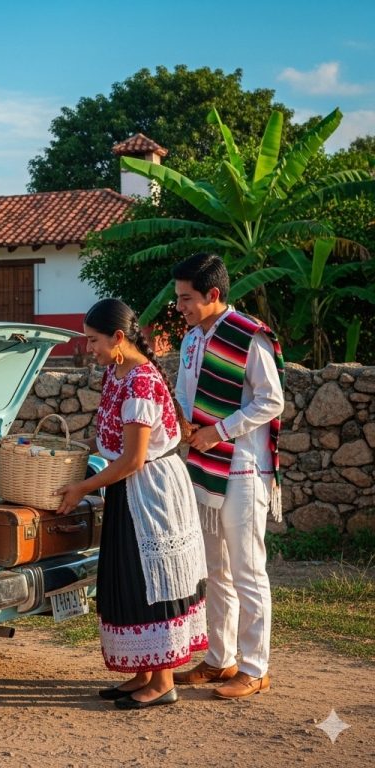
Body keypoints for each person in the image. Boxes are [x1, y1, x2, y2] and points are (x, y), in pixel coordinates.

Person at [56, 298, 208, 710]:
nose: (89, 348)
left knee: (151, 582)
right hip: (129, 490)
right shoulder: (117, 372)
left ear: (118, 337)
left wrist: (81, 487)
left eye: (94, 340)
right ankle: (144, 672)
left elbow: (133, 458)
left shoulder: (140, 382)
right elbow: (112, 439)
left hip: (150, 491)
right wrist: (71, 447)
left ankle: (163, 682)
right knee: (130, 578)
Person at [171, 253, 284, 699]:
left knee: (247, 570)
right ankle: (221, 658)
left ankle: (255, 668)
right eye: (179, 298)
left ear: (213, 294)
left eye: (187, 298)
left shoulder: (248, 335)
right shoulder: (191, 339)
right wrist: (183, 424)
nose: (180, 306)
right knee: (215, 568)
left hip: (242, 468)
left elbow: (271, 401)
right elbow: (184, 392)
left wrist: (217, 432)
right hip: (204, 465)